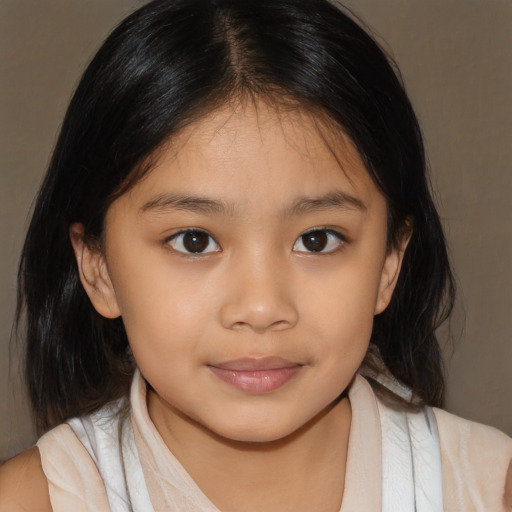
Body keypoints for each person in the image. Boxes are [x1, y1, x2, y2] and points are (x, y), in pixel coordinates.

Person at [1, 0, 511, 510]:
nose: (262, 308)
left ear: (388, 263)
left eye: (317, 240)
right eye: (194, 241)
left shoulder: (489, 490)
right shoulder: (28, 500)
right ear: (98, 268)